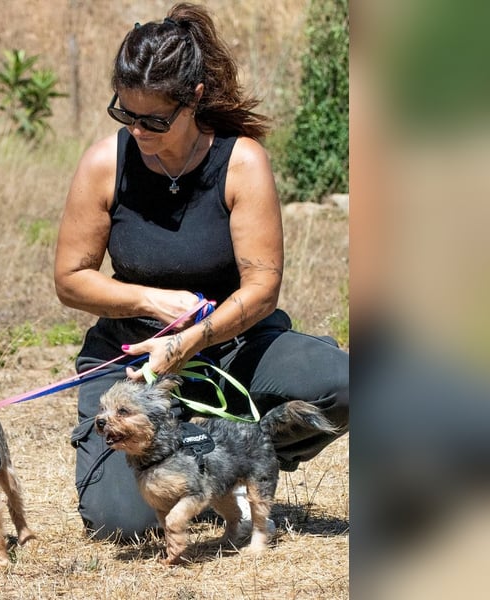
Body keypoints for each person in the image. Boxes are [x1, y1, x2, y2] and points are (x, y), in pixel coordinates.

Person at [54, 2, 349, 541]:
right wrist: (149, 301)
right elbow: (71, 278)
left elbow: (261, 289)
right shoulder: (104, 163)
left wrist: (191, 338)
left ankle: (231, 460)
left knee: (348, 383)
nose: (138, 130)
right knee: (121, 526)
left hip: (234, 342)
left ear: (192, 99)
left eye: (155, 120)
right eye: (126, 114)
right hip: (135, 363)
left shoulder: (242, 162)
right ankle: (197, 460)